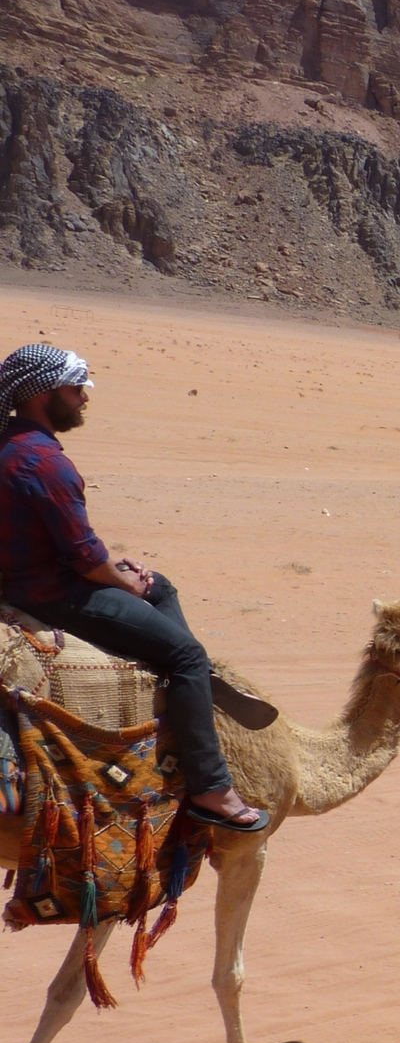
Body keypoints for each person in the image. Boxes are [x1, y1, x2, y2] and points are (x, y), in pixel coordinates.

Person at [0, 343, 268, 831]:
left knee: (159, 587)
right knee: (185, 653)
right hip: (50, 592)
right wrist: (121, 578)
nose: (84, 398)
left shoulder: (10, 446)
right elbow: (83, 557)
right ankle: (211, 787)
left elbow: (67, 541)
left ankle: (195, 684)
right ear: (42, 394)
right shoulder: (45, 462)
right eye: (76, 389)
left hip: (24, 576)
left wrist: (121, 571)